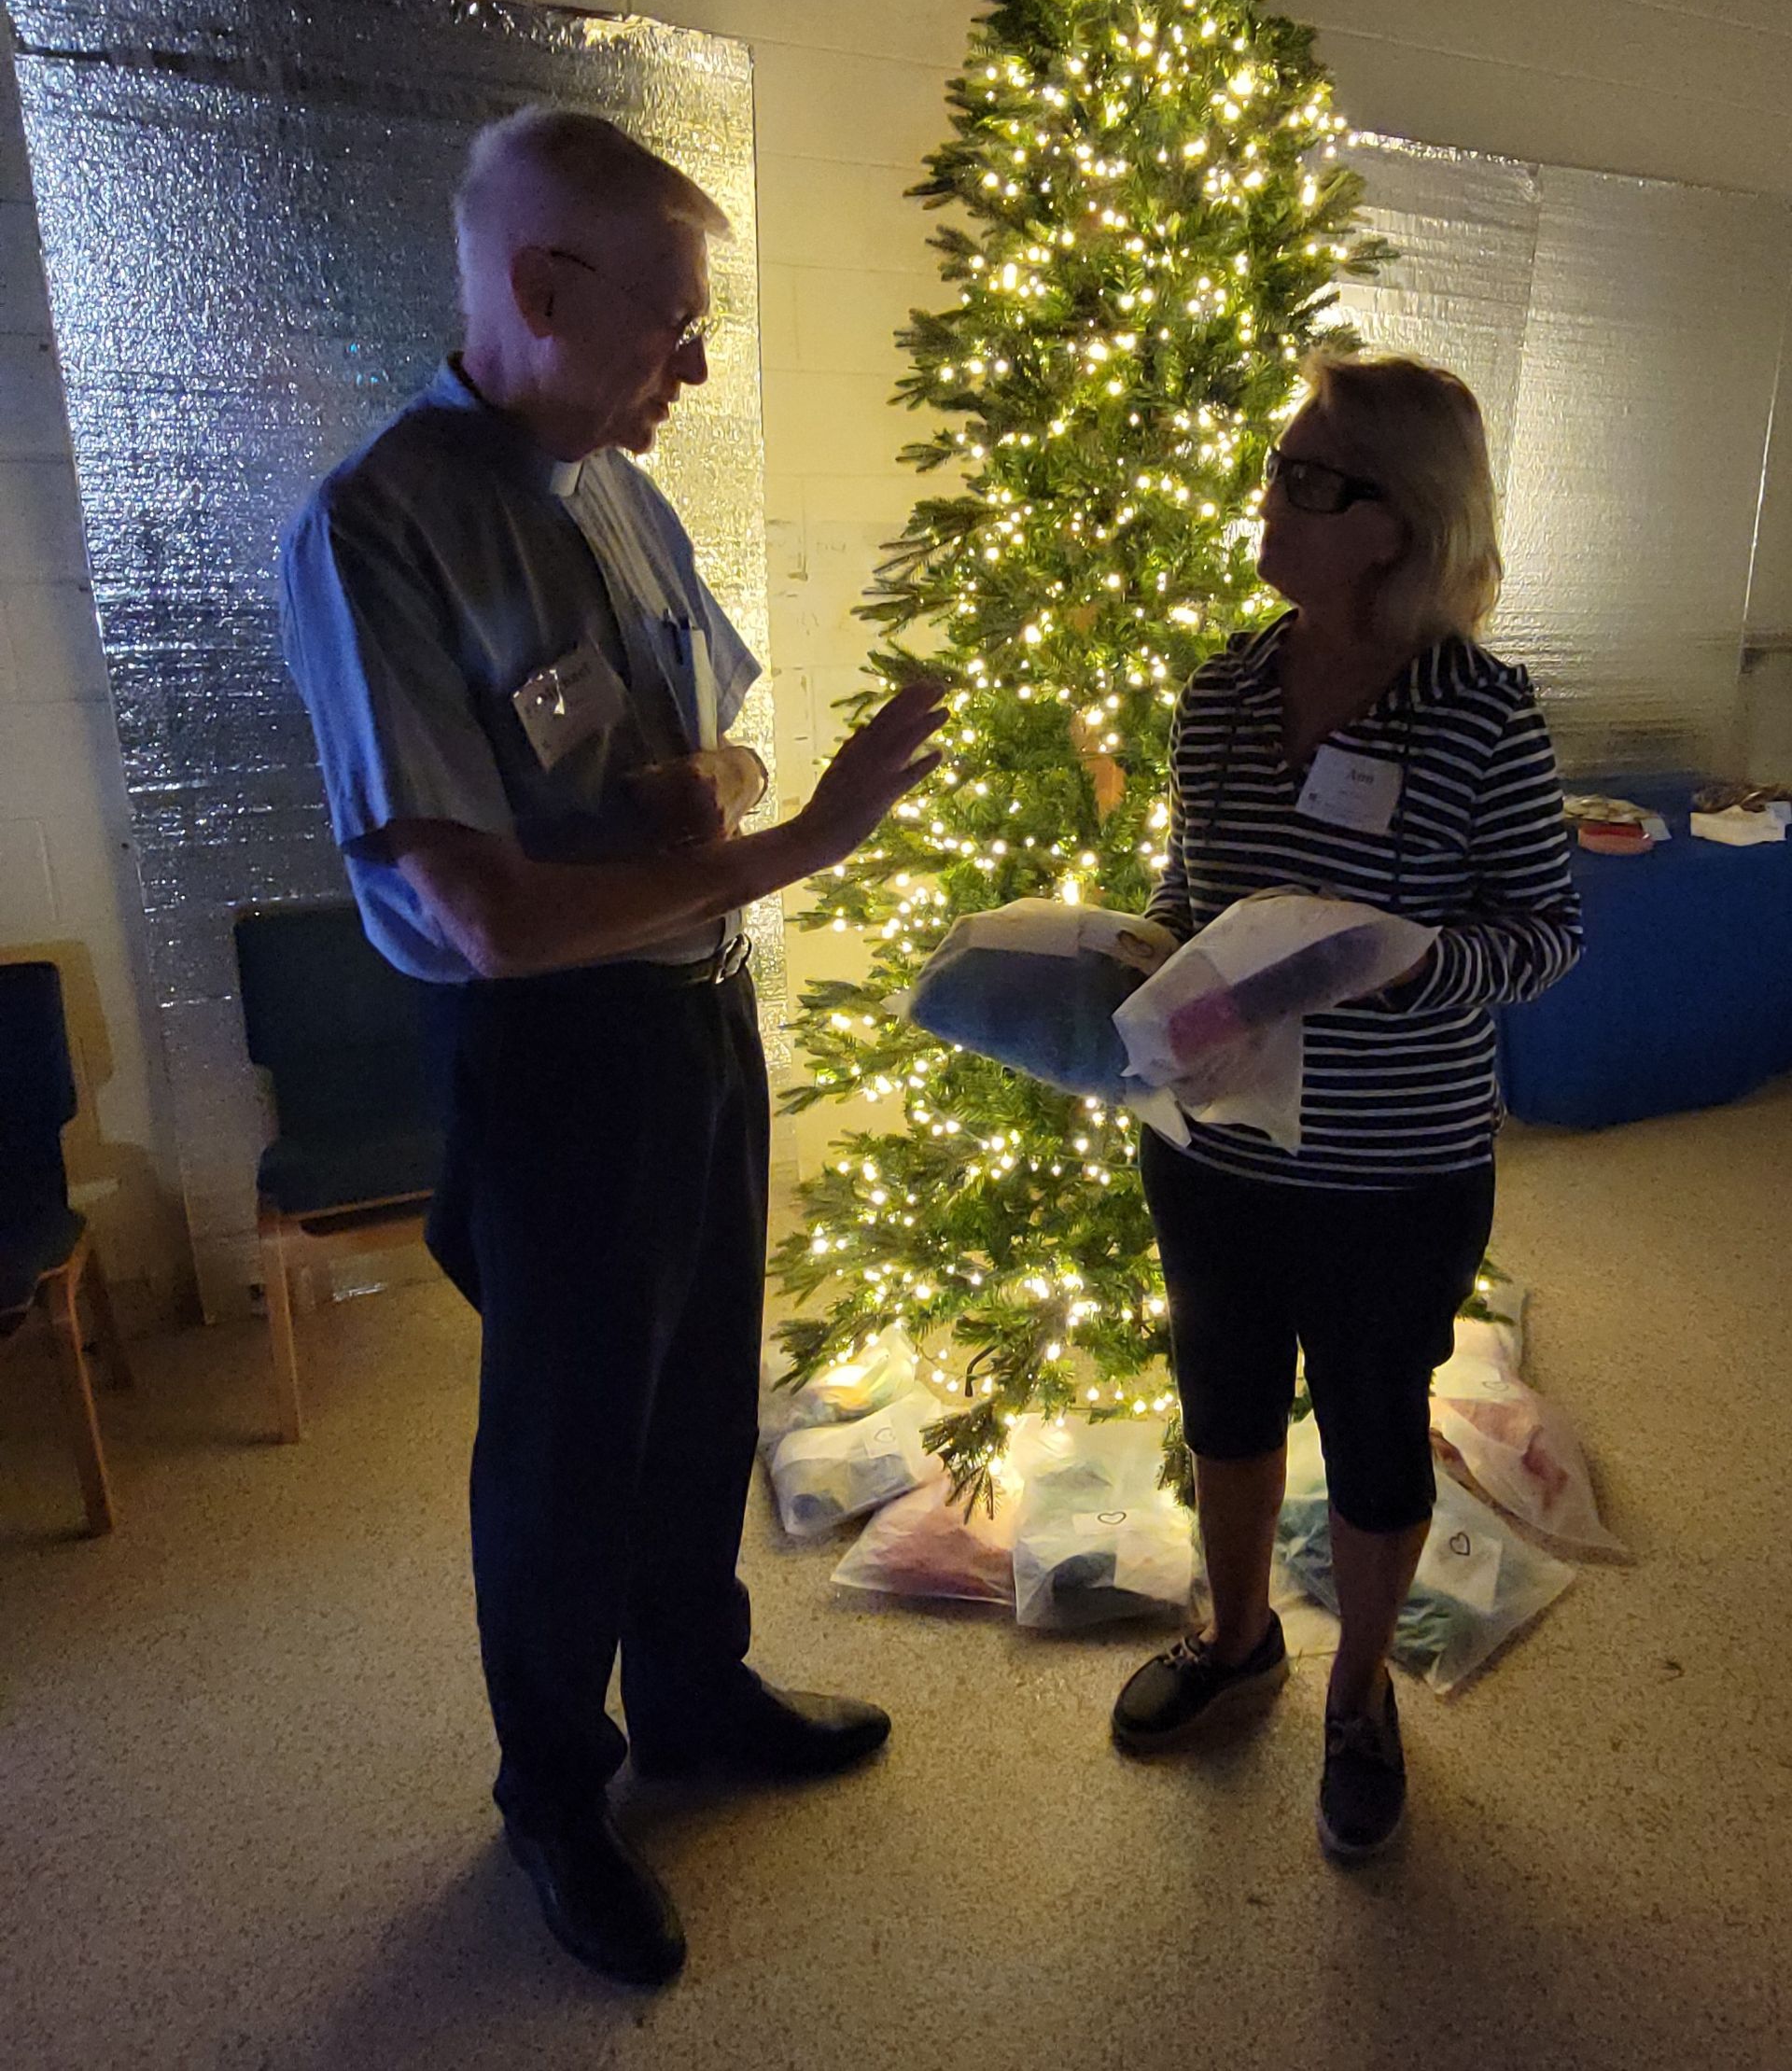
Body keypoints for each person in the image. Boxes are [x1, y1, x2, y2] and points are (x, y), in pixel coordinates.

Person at [279, 105, 945, 1988]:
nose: (697, 364)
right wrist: (799, 834)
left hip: (698, 1022)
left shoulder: (614, 482)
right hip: (555, 1057)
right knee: (566, 1448)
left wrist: (704, 787)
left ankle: (699, 1693)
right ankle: (557, 1794)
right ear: (542, 285)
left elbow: (713, 739)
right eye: (673, 321)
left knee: (697, 1393)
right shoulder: (374, 527)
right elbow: (485, 914)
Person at [1110, 350, 1580, 1860]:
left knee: (1374, 1433)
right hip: (1216, 1146)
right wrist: (1136, 966)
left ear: (1400, 522)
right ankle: (1239, 1635)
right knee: (1225, 1407)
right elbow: (1189, 900)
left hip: (1396, 1171)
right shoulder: (1225, 688)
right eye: (1279, 466)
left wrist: (1418, 964)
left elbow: (1547, 934)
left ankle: (1358, 1696)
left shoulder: (1484, 717)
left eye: (1314, 480)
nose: (1274, 498)